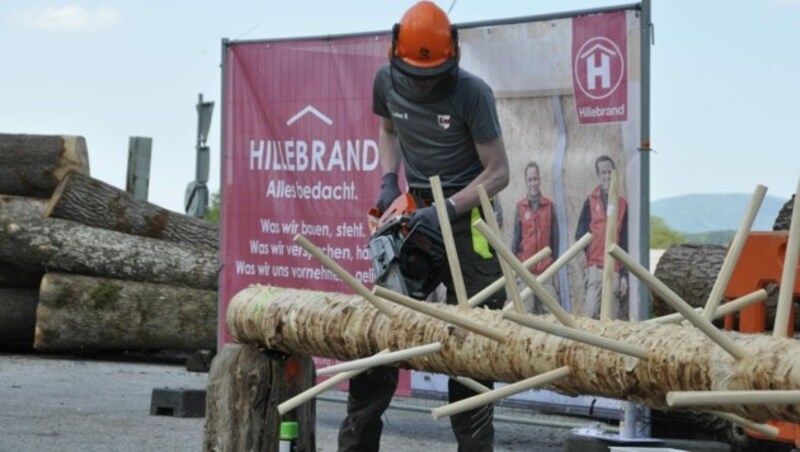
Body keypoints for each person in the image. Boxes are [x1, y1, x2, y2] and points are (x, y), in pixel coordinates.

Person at [338, 2, 509, 451]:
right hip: (416, 214)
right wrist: (388, 180)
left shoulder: (473, 94)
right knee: (381, 330)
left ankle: (474, 445)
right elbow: (390, 130)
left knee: (474, 339)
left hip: (472, 219)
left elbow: (498, 173)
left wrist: (449, 207)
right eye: (415, 75)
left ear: (452, 58)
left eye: (432, 76)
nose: (422, 84)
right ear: (397, 54)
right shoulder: (386, 82)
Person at [574, 154, 628, 320]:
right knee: (589, 315)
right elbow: (580, 235)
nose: (606, 176)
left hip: (614, 270)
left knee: (610, 320)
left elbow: (625, 243)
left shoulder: (623, 205)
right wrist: (586, 263)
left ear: (614, 174)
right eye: (603, 173)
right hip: (595, 270)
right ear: (598, 175)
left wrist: (625, 275)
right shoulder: (590, 201)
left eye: (609, 172)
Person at [510, 161, 559, 314]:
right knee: (526, 312)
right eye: (530, 180)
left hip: (546, 271)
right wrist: (516, 269)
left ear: (540, 180)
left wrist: (552, 265)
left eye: (535, 179)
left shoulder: (549, 206)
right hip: (526, 270)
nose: (533, 183)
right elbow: (516, 240)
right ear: (526, 182)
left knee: (553, 312)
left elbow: (555, 240)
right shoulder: (520, 207)